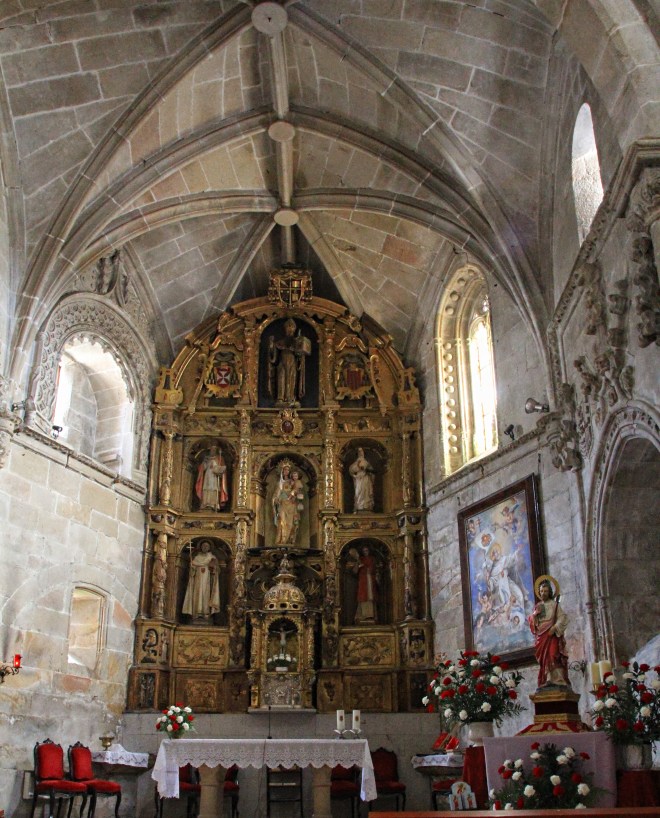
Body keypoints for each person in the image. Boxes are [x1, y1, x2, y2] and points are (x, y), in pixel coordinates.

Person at [528, 576, 569, 688]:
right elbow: (532, 623)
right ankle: (547, 678)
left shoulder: (555, 605)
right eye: (541, 591)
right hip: (541, 636)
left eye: (546, 591)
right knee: (544, 659)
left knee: (553, 654)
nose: (543, 593)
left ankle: (558, 679)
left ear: (550, 592)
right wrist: (534, 616)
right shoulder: (538, 606)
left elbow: (563, 618)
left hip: (552, 634)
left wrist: (555, 627)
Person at [267, 318, 309, 404]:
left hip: (292, 362)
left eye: (292, 328)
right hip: (282, 361)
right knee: (281, 378)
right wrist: (271, 345)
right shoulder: (280, 342)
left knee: (291, 378)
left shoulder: (296, 341)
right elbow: (273, 357)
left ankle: (290, 397)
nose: (290, 330)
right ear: (285, 329)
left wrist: (299, 351)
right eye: (288, 328)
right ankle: (280, 398)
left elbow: (300, 354)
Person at [182, 541, 221, 620]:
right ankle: (196, 613)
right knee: (197, 594)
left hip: (207, 581)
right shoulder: (197, 557)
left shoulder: (212, 557)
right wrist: (192, 568)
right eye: (203, 546)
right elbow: (192, 572)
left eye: (207, 546)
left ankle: (206, 613)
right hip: (197, 580)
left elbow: (216, 570)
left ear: (209, 548)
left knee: (206, 595)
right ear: (201, 547)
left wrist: (213, 568)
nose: (205, 547)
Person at [272, 462, 304, 545]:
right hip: (282, 504)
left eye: (288, 470)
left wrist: (293, 493)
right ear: (282, 471)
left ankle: (289, 540)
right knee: (282, 522)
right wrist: (275, 500)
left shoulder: (292, 482)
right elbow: (275, 495)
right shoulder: (279, 483)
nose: (286, 471)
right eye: (285, 470)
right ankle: (281, 541)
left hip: (291, 504)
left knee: (291, 524)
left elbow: (297, 490)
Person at [353, 546, 378, 623]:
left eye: (367, 550)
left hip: (370, 579)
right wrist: (358, 564)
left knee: (370, 597)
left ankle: (370, 615)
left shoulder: (372, 559)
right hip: (363, 580)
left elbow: (374, 568)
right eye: (364, 550)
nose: (365, 552)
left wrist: (368, 569)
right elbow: (355, 571)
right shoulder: (360, 559)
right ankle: (363, 616)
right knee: (363, 596)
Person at [349, 448, 375, 512]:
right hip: (358, 479)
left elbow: (372, 471)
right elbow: (351, 470)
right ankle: (359, 506)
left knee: (366, 492)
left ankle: (367, 506)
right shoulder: (355, 463)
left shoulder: (366, 462)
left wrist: (366, 470)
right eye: (359, 452)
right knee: (358, 492)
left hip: (366, 479)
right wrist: (358, 468)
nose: (361, 453)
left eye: (362, 452)